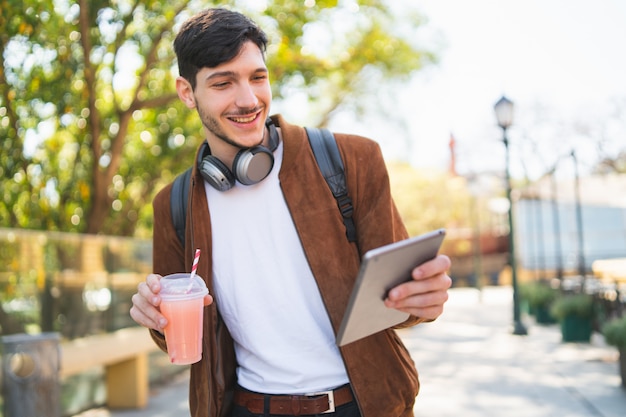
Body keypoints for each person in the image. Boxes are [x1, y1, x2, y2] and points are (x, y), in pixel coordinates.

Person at [130, 7, 452, 417]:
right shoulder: (174, 204)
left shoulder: (352, 160)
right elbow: (179, 336)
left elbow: (399, 302)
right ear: (187, 92)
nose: (248, 100)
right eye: (223, 83)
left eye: (257, 77)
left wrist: (421, 299)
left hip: (363, 405)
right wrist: (156, 318)